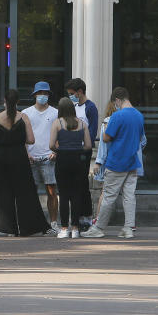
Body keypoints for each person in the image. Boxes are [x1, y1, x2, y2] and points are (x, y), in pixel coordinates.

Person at [81, 87, 145, 239]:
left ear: (117, 100)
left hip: (116, 161)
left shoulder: (117, 116)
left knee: (109, 196)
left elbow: (106, 137)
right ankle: (128, 228)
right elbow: (141, 138)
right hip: (133, 161)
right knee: (129, 196)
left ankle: (99, 227)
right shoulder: (139, 115)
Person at [0, 88, 50, 236]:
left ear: (4, 101)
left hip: (1, 158)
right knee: (25, 192)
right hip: (19, 157)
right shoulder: (23, 117)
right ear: (17, 102)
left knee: (3, 192)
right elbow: (31, 139)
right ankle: (28, 227)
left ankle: (7, 227)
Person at [50, 97, 92, 238]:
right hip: (78, 160)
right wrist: (77, 148)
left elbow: (51, 144)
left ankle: (63, 228)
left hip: (62, 159)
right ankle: (75, 228)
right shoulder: (82, 123)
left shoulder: (57, 123)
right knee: (76, 194)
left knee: (63, 194)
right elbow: (88, 146)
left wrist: (60, 148)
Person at [24, 81, 59, 229]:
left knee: (52, 192)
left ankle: (53, 223)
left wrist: (55, 151)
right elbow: (22, 135)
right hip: (31, 158)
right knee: (30, 194)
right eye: (40, 93)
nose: (43, 96)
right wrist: (26, 153)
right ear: (35, 95)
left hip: (48, 158)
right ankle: (32, 223)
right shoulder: (26, 113)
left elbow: (60, 134)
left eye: (45, 93)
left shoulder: (55, 112)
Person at [64, 78, 98, 227]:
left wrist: (85, 146)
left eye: (72, 93)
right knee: (74, 185)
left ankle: (87, 217)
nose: (70, 96)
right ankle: (78, 216)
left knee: (82, 184)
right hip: (72, 150)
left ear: (79, 92)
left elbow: (92, 131)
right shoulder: (74, 107)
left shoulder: (90, 108)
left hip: (83, 150)